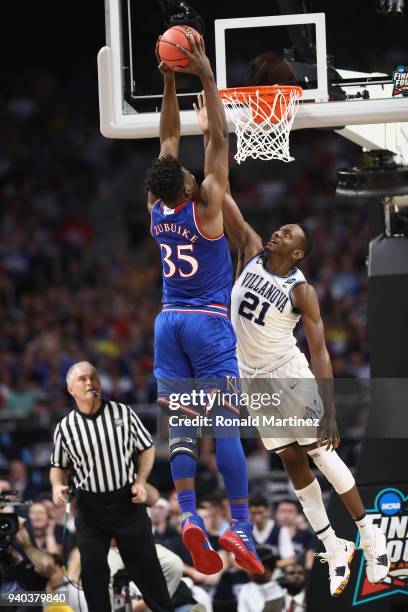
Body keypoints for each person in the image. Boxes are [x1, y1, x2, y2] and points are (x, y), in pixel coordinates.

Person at [193, 91, 389, 596]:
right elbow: (224, 193)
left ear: (297, 250)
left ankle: (367, 533)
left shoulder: (300, 287)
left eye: (286, 233)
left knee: (320, 450)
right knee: (292, 460)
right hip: (252, 375)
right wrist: (208, 136)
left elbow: (321, 349)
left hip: (286, 369)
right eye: (278, 229)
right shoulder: (253, 253)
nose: (276, 231)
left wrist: (327, 407)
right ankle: (332, 543)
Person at [145, 33, 263, 576]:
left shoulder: (156, 206)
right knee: (228, 427)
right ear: (189, 185)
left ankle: (189, 515)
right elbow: (216, 136)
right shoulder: (208, 203)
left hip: (167, 323)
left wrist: (167, 80)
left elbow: (168, 136)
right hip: (208, 324)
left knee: (184, 427)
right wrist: (207, 78)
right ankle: (239, 527)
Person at [49, 361, 173, 612]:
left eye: (93, 377)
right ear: (71, 389)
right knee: (94, 575)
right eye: (83, 379)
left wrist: (140, 481)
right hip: (89, 507)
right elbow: (57, 466)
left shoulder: (123, 413)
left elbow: (147, 449)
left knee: (147, 569)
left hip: (126, 501)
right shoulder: (65, 427)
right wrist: (56, 486)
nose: (90, 383)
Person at [248, 496, 295, 569]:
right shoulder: (246, 531)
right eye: (254, 513)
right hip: (251, 575)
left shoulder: (280, 530)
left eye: (260, 512)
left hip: (274, 575)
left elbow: (289, 559)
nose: (257, 516)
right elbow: (234, 560)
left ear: (268, 511)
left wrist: (266, 566)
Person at [237, 545, 286, 612]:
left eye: (251, 567)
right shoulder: (246, 589)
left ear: (264, 569)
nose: (248, 571)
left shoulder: (283, 589)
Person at [274, 499, 317, 570]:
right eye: (283, 511)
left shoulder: (307, 535)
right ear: (276, 514)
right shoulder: (271, 533)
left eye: (291, 512)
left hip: (299, 575)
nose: (286, 515)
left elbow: (309, 563)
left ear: (297, 514)